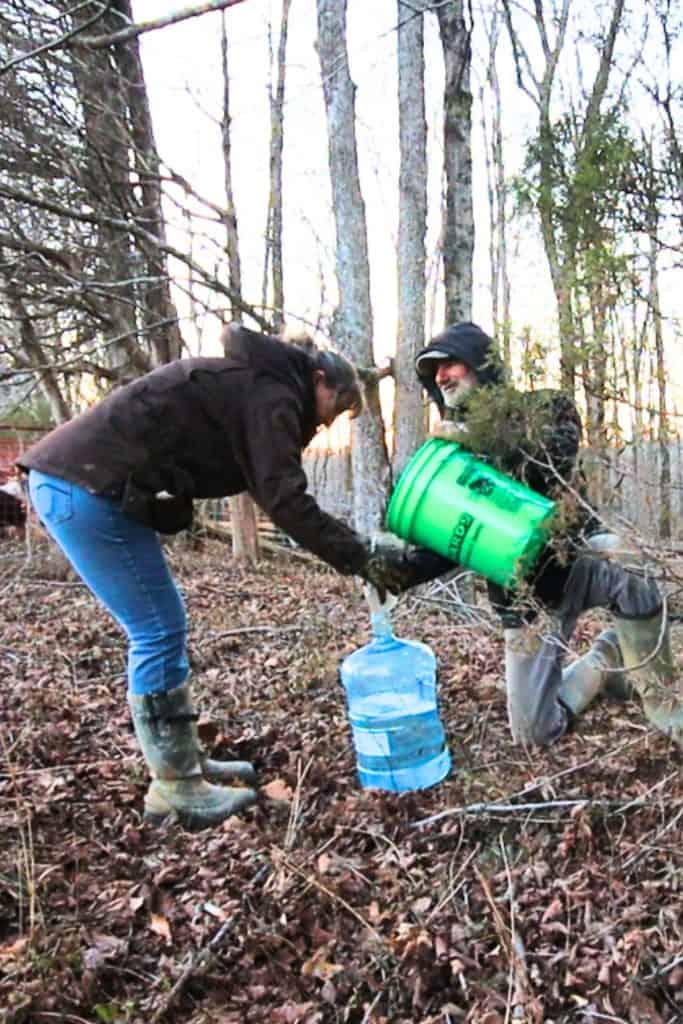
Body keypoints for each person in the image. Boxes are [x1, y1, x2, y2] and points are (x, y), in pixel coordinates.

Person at [18, 324, 438, 831]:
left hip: (85, 485)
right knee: (155, 629)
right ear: (319, 378)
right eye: (337, 404)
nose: (328, 422)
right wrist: (360, 556)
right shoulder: (276, 393)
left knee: (163, 623)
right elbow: (283, 498)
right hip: (82, 489)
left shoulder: (259, 382)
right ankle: (175, 788)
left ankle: (183, 763)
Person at [413, 321, 682, 749]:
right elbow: (450, 540)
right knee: (535, 733)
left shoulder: (546, 407)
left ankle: (668, 711)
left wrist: (481, 437)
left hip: (578, 558)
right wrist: (381, 567)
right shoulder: (454, 466)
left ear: (482, 364)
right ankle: (607, 656)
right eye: (433, 372)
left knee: (633, 565)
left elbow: (552, 458)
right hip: (528, 600)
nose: (441, 376)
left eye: (451, 364)